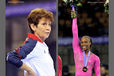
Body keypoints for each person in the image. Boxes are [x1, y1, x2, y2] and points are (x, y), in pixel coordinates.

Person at [7, 8, 55, 76]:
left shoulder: (42, 44)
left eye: (49, 24)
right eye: (44, 24)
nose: (48, 28)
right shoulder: (32, 44)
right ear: (33, 26)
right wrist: (29, 70)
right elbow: (11, 57)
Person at [71, 10, 101, 76]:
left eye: (85, 42)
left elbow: (98, 74)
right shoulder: (77, 51)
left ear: (90, 43)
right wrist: (74, 18)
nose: (83, 44)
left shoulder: (95, 58)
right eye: (82, 42)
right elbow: (75, 32)